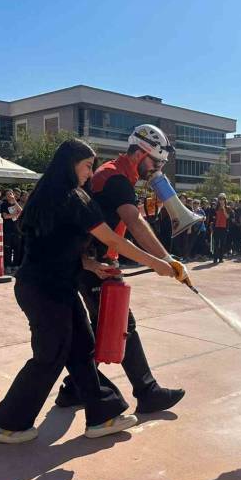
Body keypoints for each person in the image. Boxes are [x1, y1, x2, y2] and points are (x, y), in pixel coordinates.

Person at [0, 138, 178, 444]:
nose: (90, 172)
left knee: (82, 346)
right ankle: (5, 423)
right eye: (87, 165)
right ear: (69, 164)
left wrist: (87, 263)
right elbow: (114, 240)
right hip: (46, 290)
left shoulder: (45, 195)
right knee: (50, 356)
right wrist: (159, 263)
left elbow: (52, 242)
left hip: (54, 285)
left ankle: (104, 415)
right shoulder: (74, 197)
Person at [56, 124, 189, 414]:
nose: (156, 170)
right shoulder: (115, 177)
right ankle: (147, 391)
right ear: (142, 154)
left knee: (102, 328)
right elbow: (134, 222)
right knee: (121, 325)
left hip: (96, 262)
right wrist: (167, 260)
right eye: (156, 162)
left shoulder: (117, 174)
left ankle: (72, 389)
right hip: (95, 265)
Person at [1, 190, 23, 273]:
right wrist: (15, 215)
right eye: (7, 194)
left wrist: (14, 202)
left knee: (17, 249)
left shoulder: (17, 203)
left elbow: (21, 212)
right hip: (7, 230)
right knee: (8, 249)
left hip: (16, 230)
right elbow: (5, 216)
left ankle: (15, 265)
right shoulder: (4, 204)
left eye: (11, 194)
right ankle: (8, 265)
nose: (9, 195)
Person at [210, 193, 230, 264]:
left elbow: (227, 217)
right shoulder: (215, 208)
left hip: (224, 228)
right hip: (216, 228)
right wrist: (211, 227)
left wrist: (224, 209)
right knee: (216, 243)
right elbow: (212, 218)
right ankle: (215, 258)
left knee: (222, 243)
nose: (221, 200)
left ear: (225, 200)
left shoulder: (228, 208)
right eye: (220, 199)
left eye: (223, 199)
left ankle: (221, 258)